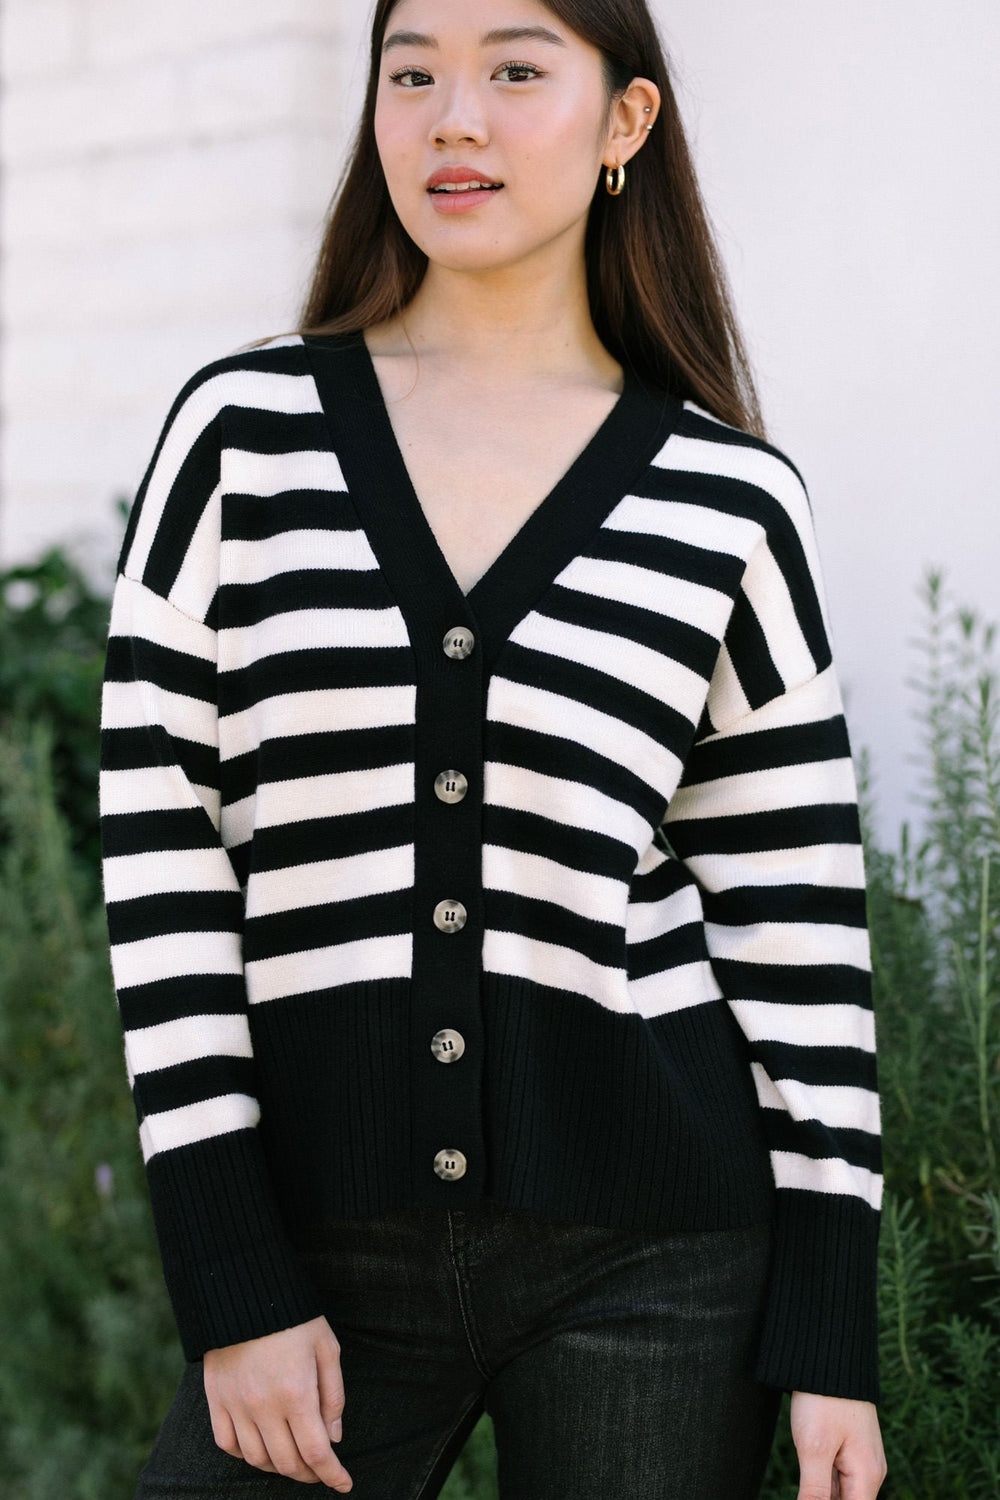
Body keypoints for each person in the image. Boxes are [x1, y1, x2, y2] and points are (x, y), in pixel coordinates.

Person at [98, 1, 889, 1496]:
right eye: (412, 73)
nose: (453, 116)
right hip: (318, 1238)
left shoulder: (727, 500)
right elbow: (164, 855)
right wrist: (230, 1274)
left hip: (662, 1257)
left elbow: (798, 926)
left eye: (516, 69)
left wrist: (829, 1332)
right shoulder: (242, 438)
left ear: (626, 122)